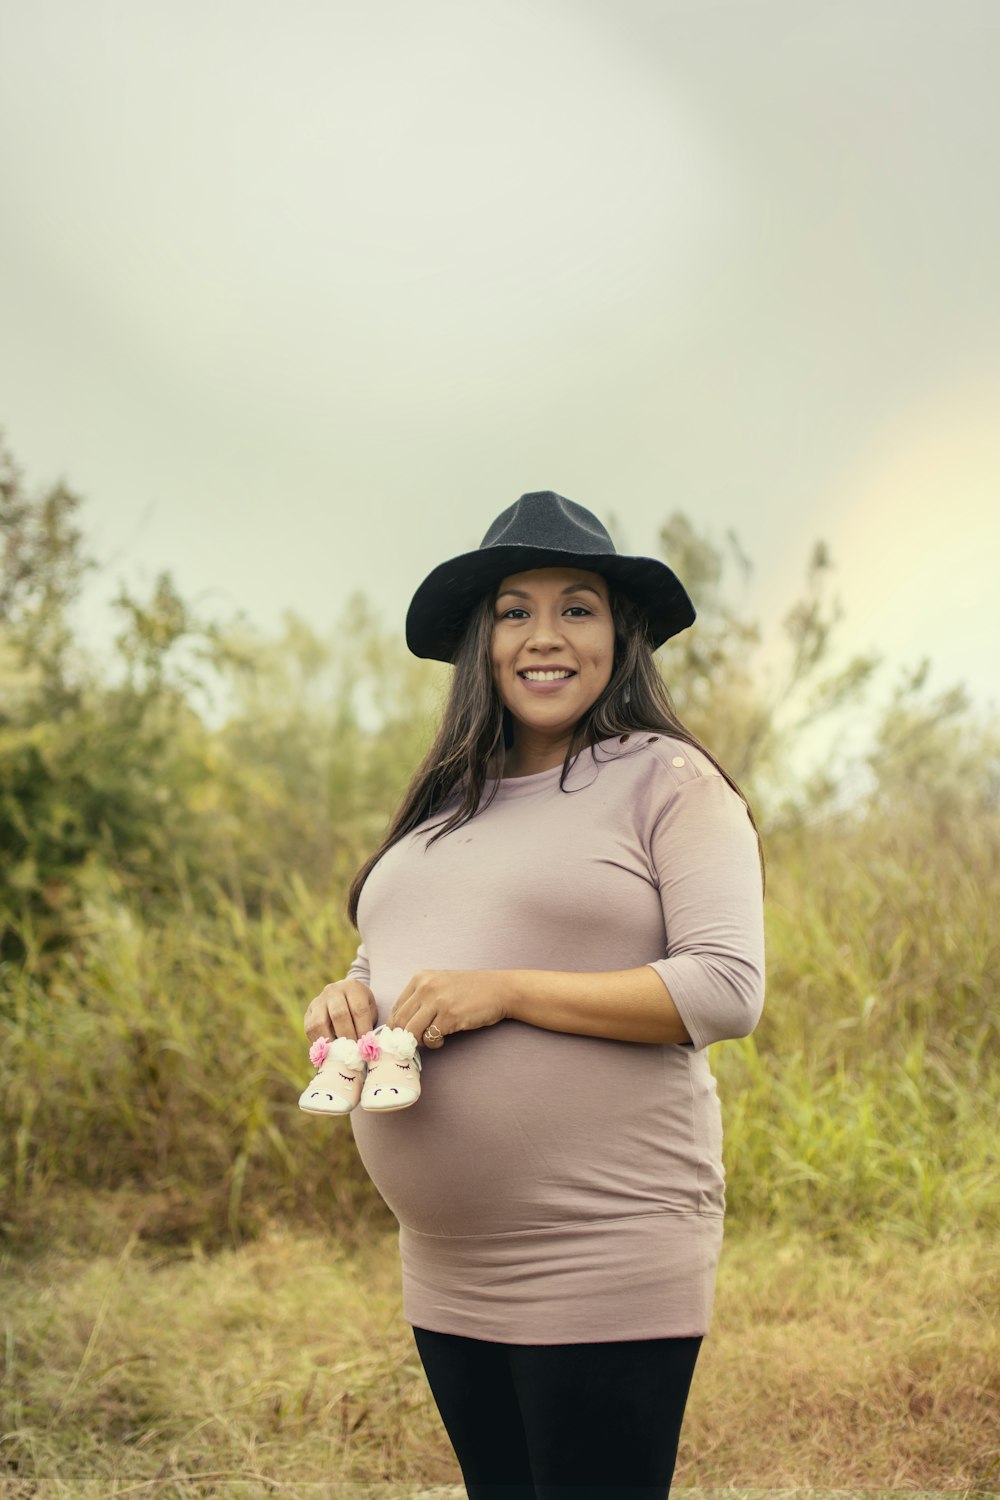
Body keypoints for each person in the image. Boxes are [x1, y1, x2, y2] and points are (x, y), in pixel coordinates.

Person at [302, 490, 766, 1500]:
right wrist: (344, 1002)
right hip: (445, 1261)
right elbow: (381, 957)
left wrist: (506, 992)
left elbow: (726, 987)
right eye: (514, 610)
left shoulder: (666, 781)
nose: (542, 636)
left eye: (577, 607)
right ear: (482, 638)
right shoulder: (442, 805)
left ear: (620, 634)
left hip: (601, 1246)